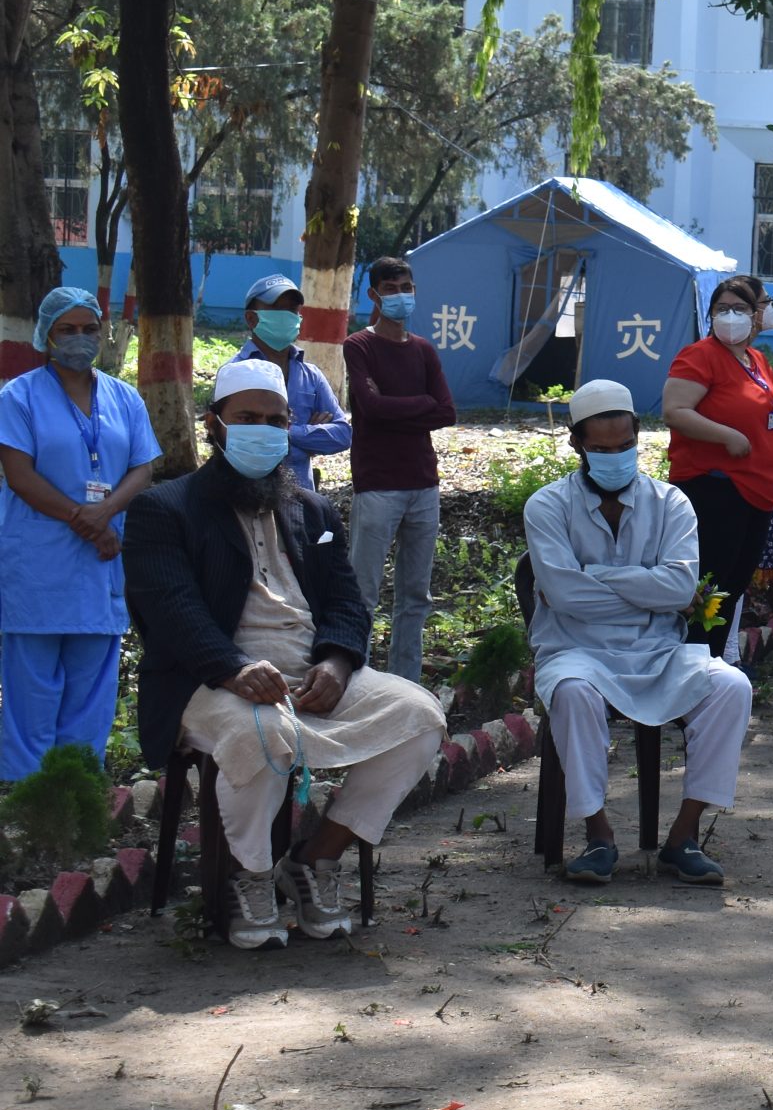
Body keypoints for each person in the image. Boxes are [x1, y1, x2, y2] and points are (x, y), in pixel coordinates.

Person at [122, 363, 446, 951]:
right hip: (206, 680)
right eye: (247, 419)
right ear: (214, 426)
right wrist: (234, 668)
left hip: (307, 672)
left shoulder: (312, 510)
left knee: (420, 716)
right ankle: (250, 878)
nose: (263, 431)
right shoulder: (164, 509)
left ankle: (315, 858)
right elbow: (171, 611)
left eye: (275, 421)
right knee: (264, 732)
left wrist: (338, 663)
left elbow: (348, 603)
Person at [523, 379, 755, 887]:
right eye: (601, 450)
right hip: (575, 649)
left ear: (637, 437)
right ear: (576, 444)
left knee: (732, 687)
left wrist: (594, 574)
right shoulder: (547, 506)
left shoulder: (671, 503)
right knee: (573, 692)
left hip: (659, 650)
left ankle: (684, 836)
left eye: (625, 446)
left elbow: (679, 587)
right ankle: (598, 837)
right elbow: (564, 598)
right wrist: (645, 587)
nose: (615, 457)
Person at [0, 287, 159, 782]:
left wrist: (106, 512)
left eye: (89, 328)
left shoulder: (123, 397)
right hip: (40, 564)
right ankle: (29, 794)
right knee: (32, 684)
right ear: (46, 334)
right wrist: (84, 520)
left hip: (101, 561)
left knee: (92, 685)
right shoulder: (17, 397)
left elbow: (144, 466)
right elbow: (19, 475)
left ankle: (79, 789)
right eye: (67, 330)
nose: (79, 339)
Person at [664, 274, 773, 660]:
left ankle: (711, 670)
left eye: (739, 309)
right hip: (717, 490)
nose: (731, 316)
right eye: (722, 309)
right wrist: (725, 435)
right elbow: (675, 411)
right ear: (710, 315)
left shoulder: (755, 360)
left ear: (754, 317)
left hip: (758, 494)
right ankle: (689, 665)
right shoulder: (700, 356)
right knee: (711, 587)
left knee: (735, 585)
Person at [341, 256, 456, 682]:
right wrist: (421, 405)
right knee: (363, 592)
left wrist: (400, 409)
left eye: (405, 287)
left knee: (415, 595)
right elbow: (369, 407)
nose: (400, 296)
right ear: (373, 295)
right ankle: (357, 680)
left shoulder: (424, 350)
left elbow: (446, 411)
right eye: (390, 289)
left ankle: (406, 684)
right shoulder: (359, 346)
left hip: (423, 484)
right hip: (377, 484)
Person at [224, 274, 350, 489]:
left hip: (302, 497)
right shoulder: (234, 372)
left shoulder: (311, 375)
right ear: (251, 319)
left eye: (292, 310)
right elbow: (236, 441)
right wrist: (308, 435)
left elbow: (343, 436)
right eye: (277, 309)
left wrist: (283, 432)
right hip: (248, 494)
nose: (288, 316)